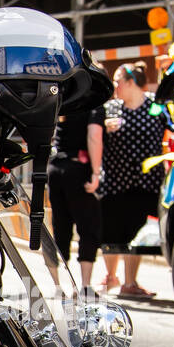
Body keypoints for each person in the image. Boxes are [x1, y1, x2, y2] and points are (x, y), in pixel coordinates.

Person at [95, 61, 168, 298]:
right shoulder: (111, 109)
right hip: (115, 182)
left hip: (146, 184)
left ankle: (130, 282)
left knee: (136, 233)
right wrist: (104, 127)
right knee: (111, 231)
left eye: (117, 81)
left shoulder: (155, 107)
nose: (114, 86)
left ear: (130, 83)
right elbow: (93, 135)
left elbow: (172, 129)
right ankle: (110, 276)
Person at [47, 106, 104, 289]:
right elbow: (94, 136)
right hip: (79, 170)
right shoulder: (94, 103)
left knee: (60, 228)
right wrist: (96, 173)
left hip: (55, 169)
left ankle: (58, 286)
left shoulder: (65, 101)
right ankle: (85, 286)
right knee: (88, 228)